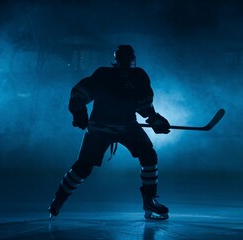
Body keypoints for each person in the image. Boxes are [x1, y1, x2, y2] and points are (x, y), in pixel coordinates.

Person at [48, 45, 171, 220]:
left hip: (127, 126)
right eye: (123, 57)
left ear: (132, 59)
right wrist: (79, 111)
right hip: (100, 128)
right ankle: (58, 200)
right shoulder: (104, 75)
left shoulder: (139, 76)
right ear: (117, 59)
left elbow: (144, 106)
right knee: (83, 167)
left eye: (128, 57)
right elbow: (79, 93)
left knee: (149, 156)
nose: (125, 61)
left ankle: (149, 200)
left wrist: (154, 119)